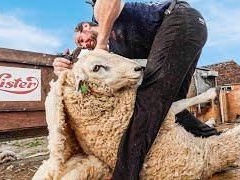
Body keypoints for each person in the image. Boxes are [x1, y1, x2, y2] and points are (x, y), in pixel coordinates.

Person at [53, 0, 220, 179]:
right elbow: (96, 75)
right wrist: (65, 70)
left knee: (148, 100)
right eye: (80, 45)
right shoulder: (114, 52)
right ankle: (216, 140)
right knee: (172, 107)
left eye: (81, 39)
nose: (84, 45)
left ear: (86, 26)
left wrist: (100, 42)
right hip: (191, 31)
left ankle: (124, 176)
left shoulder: (100, 15)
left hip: (180, 19)